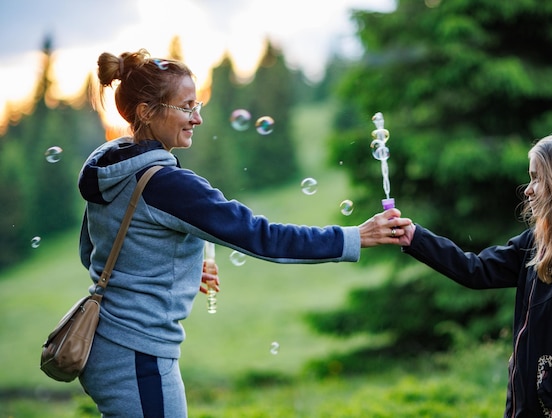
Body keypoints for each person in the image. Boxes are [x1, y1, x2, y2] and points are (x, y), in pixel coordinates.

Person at [79, 48, 412, 417]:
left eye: (198, 105)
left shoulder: (110, 169)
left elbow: (94, 253)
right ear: (145, 111)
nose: (197, 118)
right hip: (137, 355)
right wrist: (356, 236)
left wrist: (179, 270)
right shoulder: (167, 184)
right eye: (187, 107)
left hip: (107, 344)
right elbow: (260, 236)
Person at [396, 133, 552, 417]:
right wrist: (415, 237)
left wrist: (551, 389)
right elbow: (475, 270)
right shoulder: (534, 244)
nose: (528, 190)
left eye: (538, 179)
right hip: (524, 406)